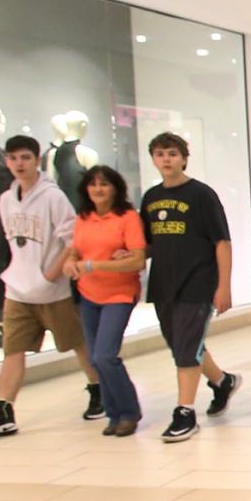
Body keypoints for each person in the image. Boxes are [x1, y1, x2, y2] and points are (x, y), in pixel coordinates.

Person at [0, 136, 102, 437]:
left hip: (53, 291)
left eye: (25, 158)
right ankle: (3, 409)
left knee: (77, 343)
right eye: (12, 158)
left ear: (36, 160)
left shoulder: (53, 197)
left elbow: (72, 238)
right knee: (13, 351)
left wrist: (52, 274)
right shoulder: (5, 200)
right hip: (17, 289)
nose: (18, 164)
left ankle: (98, 389)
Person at [142, 131, 241, 443]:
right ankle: (222, 382)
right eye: (160, 154)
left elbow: (222, 242)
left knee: (187, 347)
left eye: (172, 153)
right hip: (163, 285)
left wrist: (223, 286)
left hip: (198, 284)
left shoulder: (201, 195)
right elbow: (147, 243)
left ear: (184, 158)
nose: (166, 159)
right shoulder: (151, 198)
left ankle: (185, 412)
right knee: (183, 344)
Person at [59, 166, 147, 437]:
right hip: (88, 295)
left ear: (115, 188)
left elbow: (137, 260)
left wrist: (93, 265)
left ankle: (130, 412)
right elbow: (74, 251)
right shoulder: (83, 218)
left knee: (105, 355)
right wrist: (71, 264)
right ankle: (113, 414)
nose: (98, 189)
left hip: (119, 294)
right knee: (96, 360)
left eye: (104, 184)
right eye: (93, 184)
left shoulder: (128, 217)